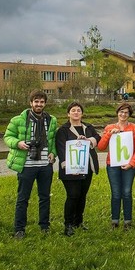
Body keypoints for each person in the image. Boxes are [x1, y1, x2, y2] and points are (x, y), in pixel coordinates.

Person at [4, 90, 58, 239]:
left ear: (45, 103)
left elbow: (52, 140)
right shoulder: (18, 120)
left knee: (45, 197)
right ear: (31, 103)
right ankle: (19, 229)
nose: (39, 104)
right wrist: (18, 143)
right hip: (26, 165)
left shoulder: (51, 120)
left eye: (41, 102)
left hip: (45, 165)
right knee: (23, 198)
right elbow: (7, 137)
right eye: (36, 101)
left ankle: (44, 226)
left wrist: (53, 152)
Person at [55, 101, 101, 236]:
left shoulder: (88, 127)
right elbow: (61, 148)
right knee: (73, 196)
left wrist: (88, 140)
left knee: (82, 196)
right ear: (68, 113)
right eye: (73, 110)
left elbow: (97, 137)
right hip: (71, 169)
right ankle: (68, 225)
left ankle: (78, 222)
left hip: (87, 167)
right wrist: (68, 166)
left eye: (78, 110)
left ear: (82, 113)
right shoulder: (63, 130)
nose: (76, 112)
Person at [97, 103, 135, 229]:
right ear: (117, 113)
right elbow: (100, 147)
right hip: (113, 165)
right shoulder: (109, 127)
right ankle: (114, 221)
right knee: (116, 193)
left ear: (129, 114)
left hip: (128, 165)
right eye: (121, 112)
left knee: (127, 192)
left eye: (126, 112)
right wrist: (109, 134)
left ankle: (128, 221)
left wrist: (131, 164)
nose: (123, 114)